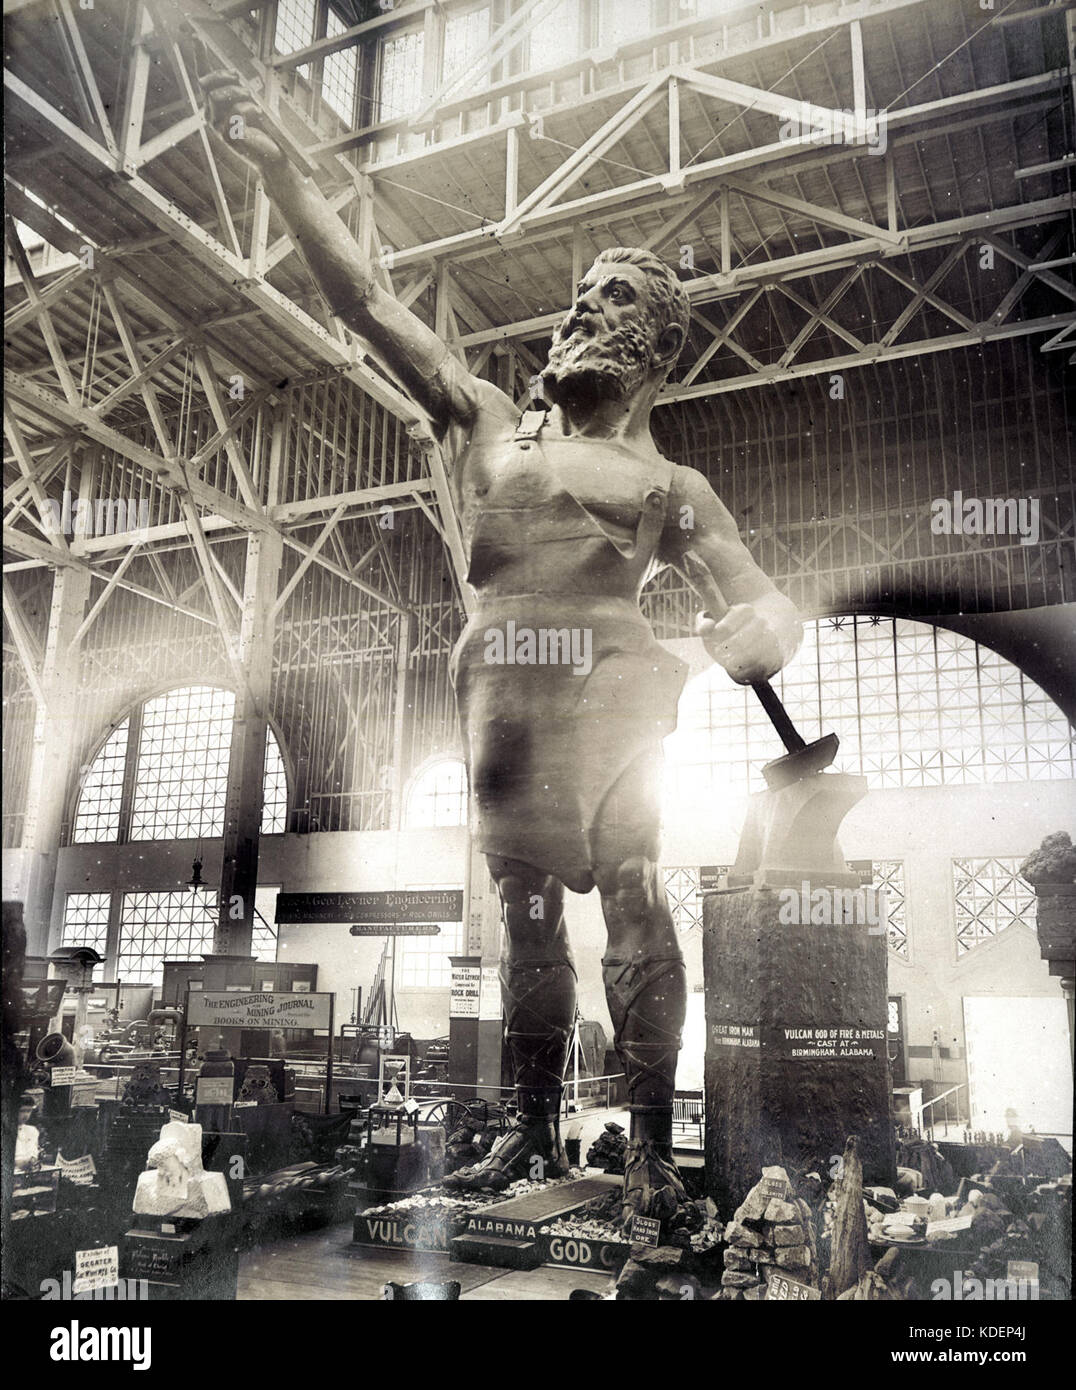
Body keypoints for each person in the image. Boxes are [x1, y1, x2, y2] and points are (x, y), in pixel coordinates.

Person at [201, 76, 802, 1229]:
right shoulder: (480, 418)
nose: (583, 309)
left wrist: (757, 629)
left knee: (630, 887)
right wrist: (285, 173)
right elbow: (370, 303)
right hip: (498, 696)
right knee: (524, 906)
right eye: (581, 294)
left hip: (615, 682)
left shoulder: (669, 487)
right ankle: (528, 1128)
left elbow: (761, 600)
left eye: (613, 296)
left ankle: (645, 1151)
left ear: (655, 342)